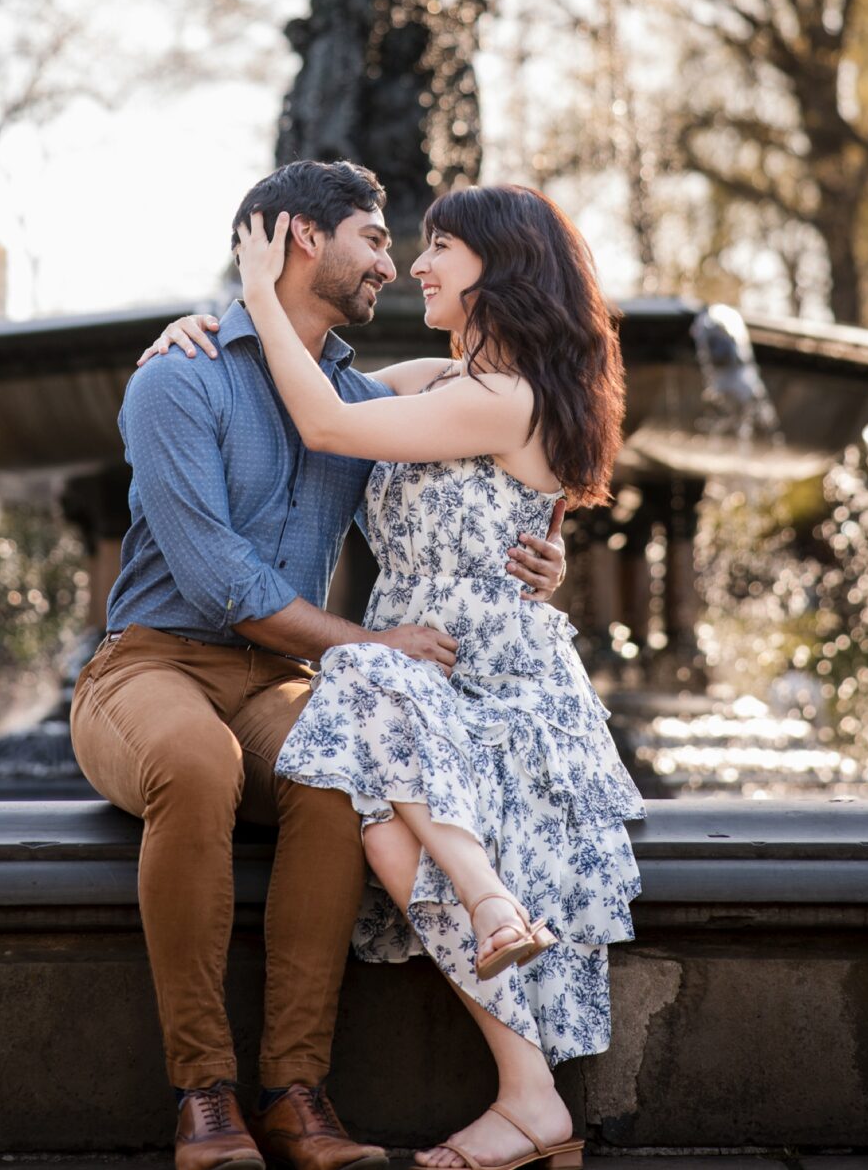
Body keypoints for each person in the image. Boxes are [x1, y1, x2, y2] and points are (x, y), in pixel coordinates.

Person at [73, 160, 568, 1170]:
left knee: (340, 770)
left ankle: (297, 1094)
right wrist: (369, 644)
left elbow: (510, 435)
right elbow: (216, 579)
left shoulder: (350, 395)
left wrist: (545, 551)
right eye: (377, 239)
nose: (393, 262)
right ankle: (204, 1097)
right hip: (150, 667)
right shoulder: (180, 374)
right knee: (197, 765)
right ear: (304, 237)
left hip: (280, 681)